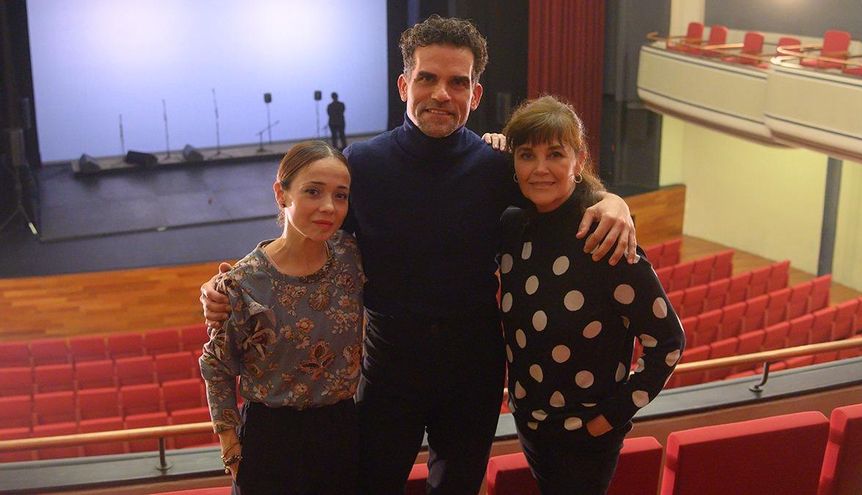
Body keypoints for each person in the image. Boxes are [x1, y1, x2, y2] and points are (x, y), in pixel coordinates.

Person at [202, 15, 638, 495]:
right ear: (404, 83)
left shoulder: (498, 169)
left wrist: (611, 201)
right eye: (427, 78)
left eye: (457, 82)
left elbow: (559, 188)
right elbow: (306, 230)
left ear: (475, 94)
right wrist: (230, 281)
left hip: (474, 369)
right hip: (388, 368)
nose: (440, 94)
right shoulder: (361, 166)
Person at [498, 95, 685, 494]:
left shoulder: (605, 238)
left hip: (586, 435)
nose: (541, 168)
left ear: (579, 161)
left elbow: (668, 342)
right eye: (527, 155)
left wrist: (609, 418)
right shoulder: (513, 228)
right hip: (530, 423)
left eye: (555, 154)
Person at [199, 140, 365, 495]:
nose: (328, 207)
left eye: (340, 195)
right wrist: (230, 448)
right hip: (271, 440)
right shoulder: (242, 282)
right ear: (281, 194)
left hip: (342, 431)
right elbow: (217, 366)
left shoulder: (353, 256)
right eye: (313, 191)